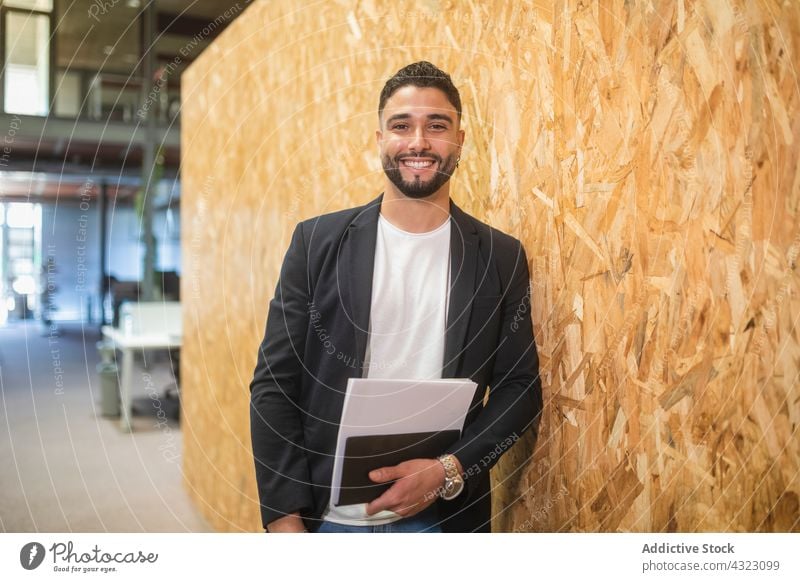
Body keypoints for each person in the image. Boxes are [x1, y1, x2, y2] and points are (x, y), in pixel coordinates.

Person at [250, 61, 542, 533]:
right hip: (327, 521)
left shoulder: (500, 256)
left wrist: (449, 470)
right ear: (380, 139)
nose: (418, 142)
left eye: (437, 126)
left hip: (442, 520)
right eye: (401, 126)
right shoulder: (316, 243)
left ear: (460, 141)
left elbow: (519, 388)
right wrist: (284, 521)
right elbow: (274, 384)